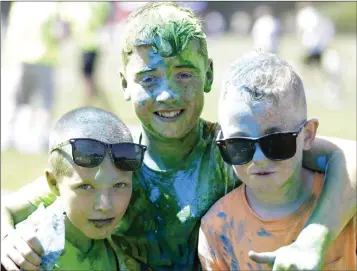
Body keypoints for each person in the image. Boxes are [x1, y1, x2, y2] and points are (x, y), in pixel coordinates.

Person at [1, 3, 356, 271]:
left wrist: (314, 237)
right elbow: (8, 206)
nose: (168, 94)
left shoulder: (236, 150)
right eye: (149, 78)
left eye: (184, 74)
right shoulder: (111, 160)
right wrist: (6, 238)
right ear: (124, 83)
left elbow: (350, 159)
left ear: (208, 75)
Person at [198, 51, 356, 270]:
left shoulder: (346, 203)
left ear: (308, 135)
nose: (259, 159)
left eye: (277, 142)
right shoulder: (216, 227)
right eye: (240, 145)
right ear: (223, 142)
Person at [1, 107, 147, 270]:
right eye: (85, 187)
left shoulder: (121, 243)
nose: (105, 206)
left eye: (119, 185)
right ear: (54, 184)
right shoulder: (30, 253)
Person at [2, 2, 66, 152]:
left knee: (17, 102)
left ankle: (9, 137)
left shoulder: (19, 5)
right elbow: (58, 33)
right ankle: (40, 139)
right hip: (44, 59)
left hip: (19, 59)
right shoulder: (52, 6)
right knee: (45, 104)